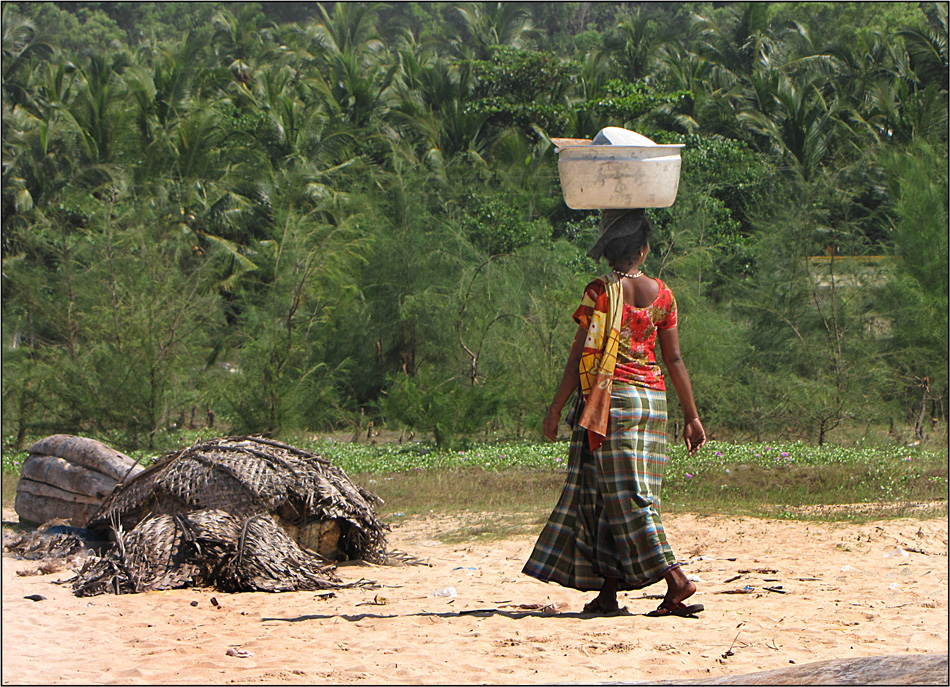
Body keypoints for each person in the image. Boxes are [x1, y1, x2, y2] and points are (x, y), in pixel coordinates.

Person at [522, 208, 707, 618]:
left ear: (609, 252)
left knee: (630, 499)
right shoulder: (664, 294)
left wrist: (554, 409)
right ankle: (608, 592)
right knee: (607, 495)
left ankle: (675, 578)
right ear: (642, 250)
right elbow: (674, 360)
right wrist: (692, 416)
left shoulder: (599, 293)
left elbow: (577, 359)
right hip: (653, 404)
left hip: (612, 403)